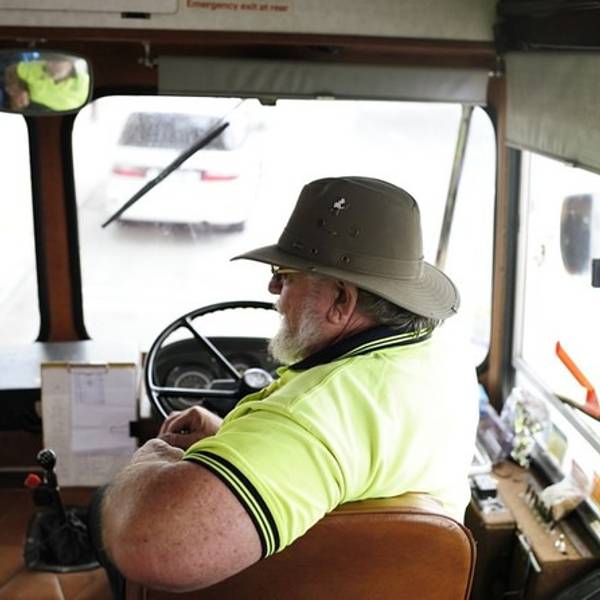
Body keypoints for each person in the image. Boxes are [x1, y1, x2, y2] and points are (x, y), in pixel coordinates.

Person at [97, 176, 479, 595]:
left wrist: (152, 455)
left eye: (286, 274)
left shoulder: (314, 413)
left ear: (341, 300)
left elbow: (150, 546)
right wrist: (231, 437)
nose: (273, 288)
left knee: (107, 503)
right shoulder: (441, 355)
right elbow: (345, 452)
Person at [3, 57, 89, 111]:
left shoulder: (84, 83)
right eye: (48, 58)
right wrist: (18, 90)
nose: (50, 64)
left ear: (71, 63)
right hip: (31, 110)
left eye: (57, 60)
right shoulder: (39, 67)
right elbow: (11, 70)